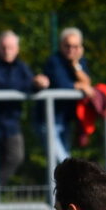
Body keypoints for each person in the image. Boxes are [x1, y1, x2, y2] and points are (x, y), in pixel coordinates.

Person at [0, 30, 43, 188]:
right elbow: (4, 85)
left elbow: (31, 85)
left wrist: (40, 84)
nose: (7, 51)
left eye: (11, 47)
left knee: (16, 156)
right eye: (4, 47)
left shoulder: (22, 66)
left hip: (11, 124)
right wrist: (31, 84)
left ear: (17, 49)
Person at [34, 27, 97, 162]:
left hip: (65, 120)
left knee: (63, 161)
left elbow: (87, 82)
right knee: (62, 161)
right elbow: (61, 84)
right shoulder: (54, 61)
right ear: (61, 45)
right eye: (67, 46)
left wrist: (75, 65)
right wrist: (80, 86)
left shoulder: (79, 61)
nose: (71, 50)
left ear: (81, 48)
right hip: (49, 119)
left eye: (75, 46)